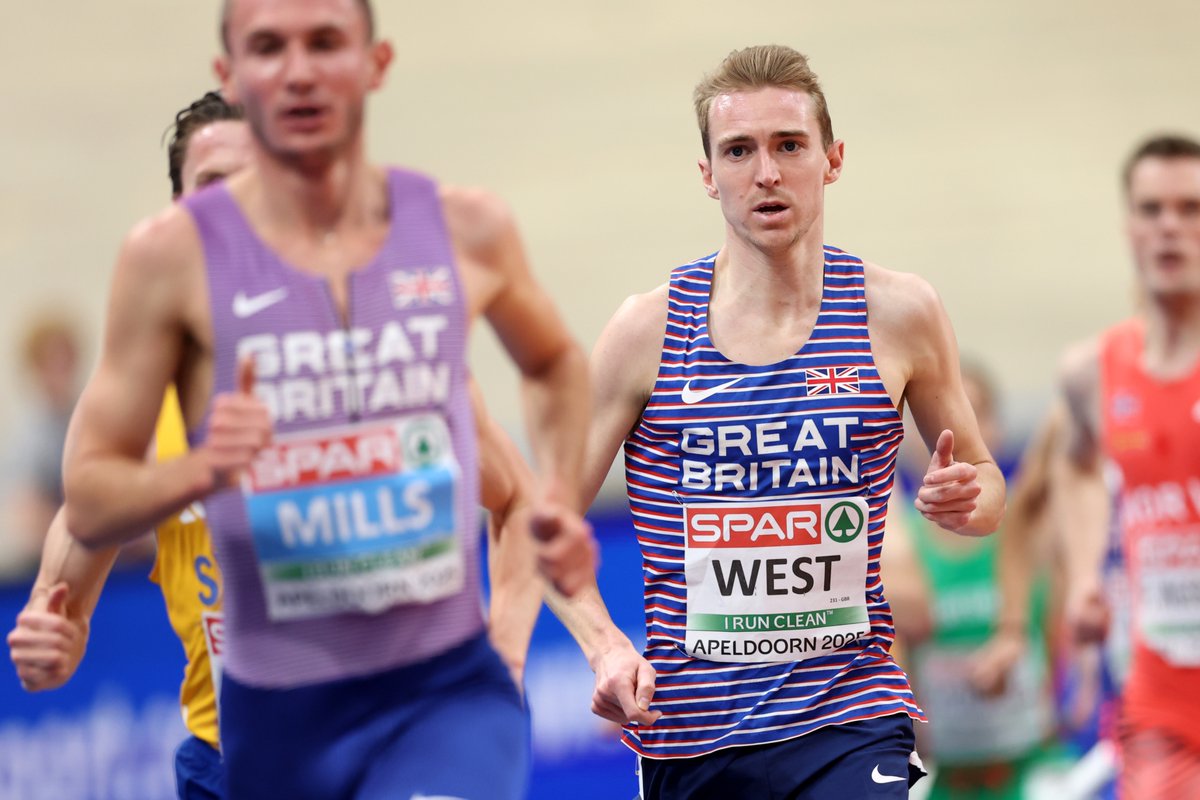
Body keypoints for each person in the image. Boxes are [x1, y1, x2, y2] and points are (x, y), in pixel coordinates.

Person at [57, 0, 593, 796]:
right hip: (253, 732)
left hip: (429, 703)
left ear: (375, 65)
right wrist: (65, 613)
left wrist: (515, 621)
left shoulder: (445, 247)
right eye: (271, 47)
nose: (300, 70)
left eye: (325, 43)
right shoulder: (160, 305)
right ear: (231, 72)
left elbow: (551, 370)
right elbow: (89, 506)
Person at [549, 45, 1005, 799]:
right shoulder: (647, 332)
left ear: (832, 159)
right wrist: (604, 649)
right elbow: (544, 523)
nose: (766, 172)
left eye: (789, 145)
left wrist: (969, 497)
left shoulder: (899, 314)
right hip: (694, 738)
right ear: (707, 175)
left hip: (852, 717)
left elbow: (988, 490)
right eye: (739, 150)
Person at [1059, 133, 1200, 798]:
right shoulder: (1092, 371)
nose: (1170, 226)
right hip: (1158, 702)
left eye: (1191, 208)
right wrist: (1085, 572)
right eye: (1152, 209)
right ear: (1129, 226)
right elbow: (1077, 466)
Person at [883, 361, 1062, 800]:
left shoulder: (1032, 533)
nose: (955, 430)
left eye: (975, 413)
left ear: (997, 430)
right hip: (941, 776)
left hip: (1032, 770)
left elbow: (1062, 635)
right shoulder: (894, 546)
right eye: (932, 418)